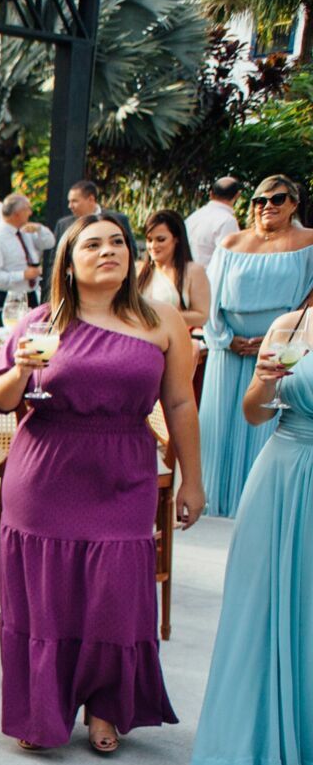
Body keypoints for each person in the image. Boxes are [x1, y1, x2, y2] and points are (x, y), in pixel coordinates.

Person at [0, 213, 203, 752]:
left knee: (114, 592)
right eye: (93, 244)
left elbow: (178, 403)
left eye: (118, 243)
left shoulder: (162, 319)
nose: (110, 251)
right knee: (46, 596)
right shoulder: (41, 321)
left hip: (124, 468)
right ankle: (43, 709)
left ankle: (106, 704)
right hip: (46, 469)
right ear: (70, 264)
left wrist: (192, 479)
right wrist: (21, 369)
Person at [190, 291, 313, 765]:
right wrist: (263, 383)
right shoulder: (294, 322)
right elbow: (255, 414)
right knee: (259, 611)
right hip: (281, 473)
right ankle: (249, 752)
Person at [199, 176, 313, 516]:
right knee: (220, 430)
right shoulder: (233, 242)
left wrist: (282, 336)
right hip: (229, 351)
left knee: (268, 422)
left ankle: (256, 506)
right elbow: (210, 297)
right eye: (260, 201)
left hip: (284, 350)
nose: (268, 206)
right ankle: (214, 504)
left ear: (294, 203)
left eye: (277, 199)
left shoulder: (308, 242)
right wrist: (223, 338)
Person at [0, 194, 55, 311]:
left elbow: (50, 243)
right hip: (6, 298)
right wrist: (22, 275)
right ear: (17, 213)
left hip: (29, 295)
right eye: (27, 209)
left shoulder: (25, 232)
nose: (30, 213)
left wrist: (40, 229)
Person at [140, 209, 212, 328]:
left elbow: (202, 316)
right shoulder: (139, 270)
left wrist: (159, 314)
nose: (153, 246)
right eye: (149, 240)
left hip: (175, 339)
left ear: (176, 239)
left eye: (161, 239)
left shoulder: (193, 271)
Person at [54, 180, 135, 253]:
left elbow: (132, 252)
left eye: (74, 201)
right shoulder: (63, 225)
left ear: (91, 199)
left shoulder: (118, 220)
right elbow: (54, 260)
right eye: (69, 201)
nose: (70, 206)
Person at [186, 176, 242, 270]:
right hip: (208, 280)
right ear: (237, 195)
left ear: (211, 194)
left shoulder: (193, 217)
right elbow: (229, 260)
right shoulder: (227, 221)